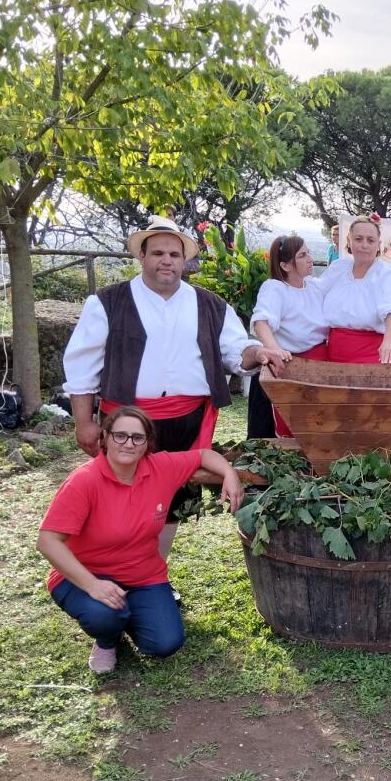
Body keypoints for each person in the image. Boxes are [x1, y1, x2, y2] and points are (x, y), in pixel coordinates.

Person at [63, 216, 285, 559]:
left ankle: (153, 574)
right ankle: (111, 571)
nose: (167, 261)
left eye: (174, 255)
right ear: (142, 257)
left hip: (187, 421)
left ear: (185, 261)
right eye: (158, 253)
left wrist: (259, 351)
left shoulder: (211, 305)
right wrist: (83, 423)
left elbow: (236, 351)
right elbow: (82, 367)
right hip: (126, 423)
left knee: (169, 504)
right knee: (119, 498)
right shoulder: (107, 303)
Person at [37, 407, 244, 674]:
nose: (128, 443)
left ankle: (124, 613)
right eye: (120, 435)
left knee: (166, 643)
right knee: (104, 615)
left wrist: (230, 474)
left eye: (138, 438)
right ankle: (107, 639)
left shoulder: (160, 468)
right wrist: (92, 585)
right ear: (105, 437)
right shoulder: (84, 481)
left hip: (142, 577)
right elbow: (47, 541)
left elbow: (203, 455)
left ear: (148, 444)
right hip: (86, 575)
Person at [249, 235, 329, 436]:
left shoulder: (314, 286)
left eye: (308, 252)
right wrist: (274, 350)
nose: (310, 258)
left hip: (320, 362)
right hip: (289, 364)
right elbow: (261, 323)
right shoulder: (275, 289)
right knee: (290, 423)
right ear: (285, 266)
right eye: (302, 255)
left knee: (318, 421)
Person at [321, 216, 391, 363]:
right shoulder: (337, 268)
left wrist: (388, 341)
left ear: (378, 244)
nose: (364, 245)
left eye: (370, 240)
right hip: (336, 349)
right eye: (358, 239)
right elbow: (316, 294)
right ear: (349, 241)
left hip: (376, 350)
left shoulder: (387, 273)